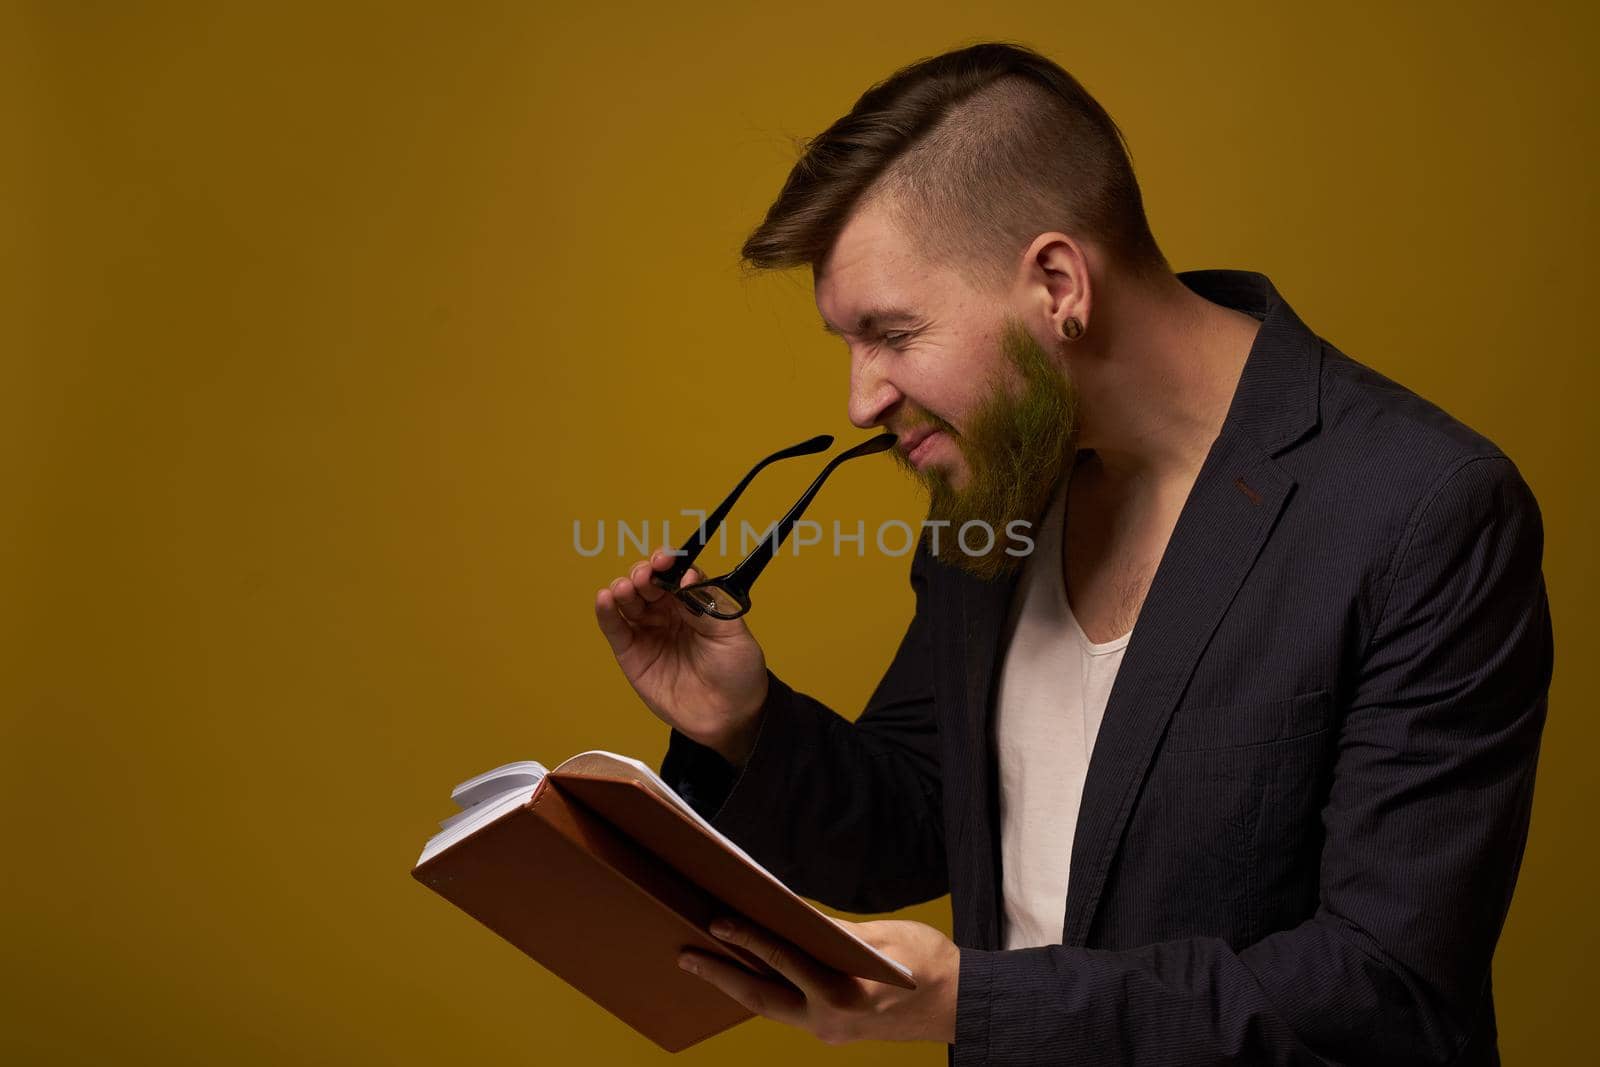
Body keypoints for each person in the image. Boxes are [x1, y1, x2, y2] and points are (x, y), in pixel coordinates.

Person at [592, 41, 1552, 1066]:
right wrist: (743, 723)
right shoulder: (998, 483)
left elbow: (1384, 990)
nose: (861, 399)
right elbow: (926, 815)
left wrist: (981, 1001)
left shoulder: (1423, 510)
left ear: (1057, 282)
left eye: (893, 332)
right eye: (848, 342)